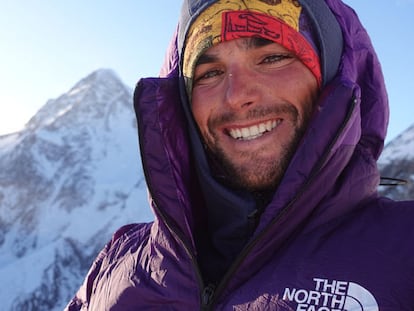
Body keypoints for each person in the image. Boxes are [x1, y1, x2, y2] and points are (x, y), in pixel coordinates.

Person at [65, 0, 414, 310]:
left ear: (332, 81)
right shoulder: (120, 264)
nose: (236, 95)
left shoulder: (402, 253)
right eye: (210, 73)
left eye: (273, 57)